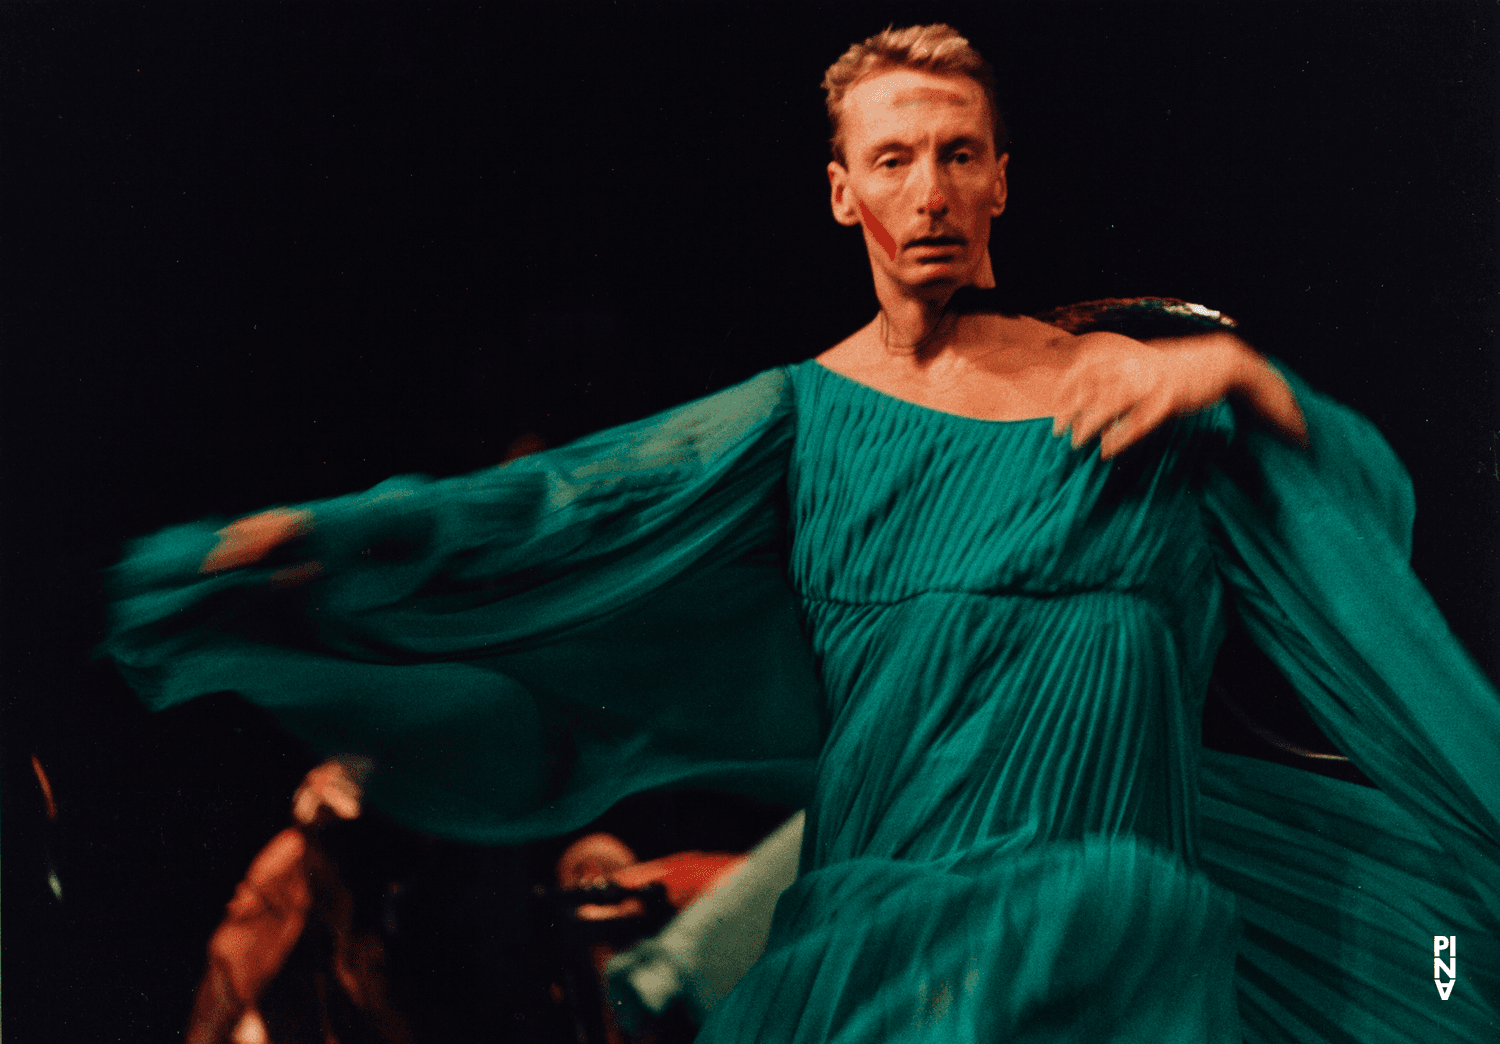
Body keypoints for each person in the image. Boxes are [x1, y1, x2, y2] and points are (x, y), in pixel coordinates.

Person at [104, 23, 1499, 1043]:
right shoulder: (803, 416)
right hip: (889, 936)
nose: (930, 188)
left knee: (1150, 919)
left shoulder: (1135, 394)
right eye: (894, 158)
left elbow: (1363, 552)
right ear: (846, 192)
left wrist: (1249, 383)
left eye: (959, 155)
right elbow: (573, 502)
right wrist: (344, 536)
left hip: (1118, 922)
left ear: (1004, 178)